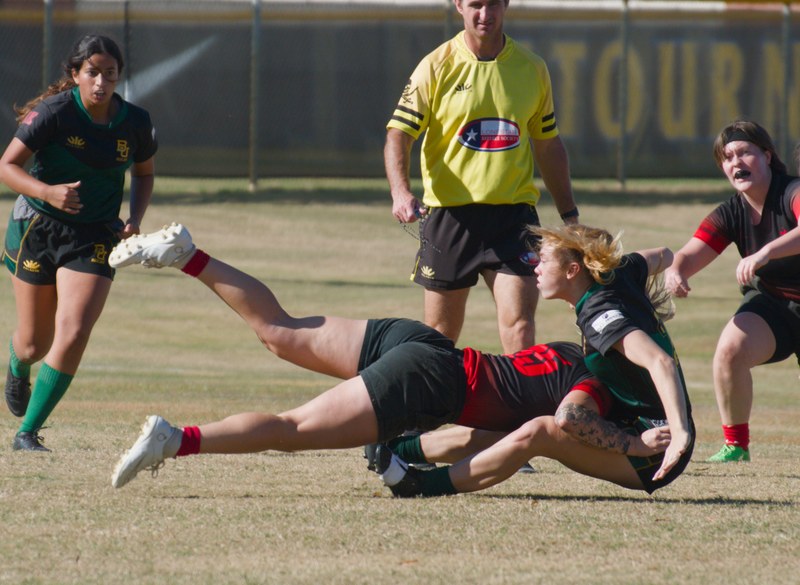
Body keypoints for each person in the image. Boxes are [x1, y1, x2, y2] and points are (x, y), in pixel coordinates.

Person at [105, 223, 667, 490]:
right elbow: (563, 424)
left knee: (279, 331)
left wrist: (665, 261)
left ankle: (187, 254)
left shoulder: (573, 346)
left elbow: (484, 437)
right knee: (291, 427)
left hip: (421, 344)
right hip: (427, 380)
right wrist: (638, 441)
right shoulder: (595, 376)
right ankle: (175, 440)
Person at [373, 224, 694, 497]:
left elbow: (660, 362)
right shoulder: (617, 273)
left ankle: (421, 485)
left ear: (572, 270)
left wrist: (666, 437)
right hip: (623, 413)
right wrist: (670, 269)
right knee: (522, 412)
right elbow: (663, 254)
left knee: (540, 430)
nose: (535, 268)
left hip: (655, 448)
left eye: (543, 261)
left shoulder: (601, 316)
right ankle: (398, 450)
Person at [384, 0, 578, 355]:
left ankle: (519, 411)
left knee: (520, 327)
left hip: (513, 217)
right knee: (440, 338)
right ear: (458, 5)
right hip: (450, 217)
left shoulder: (532, 68)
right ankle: (436, 411)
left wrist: (570, 216)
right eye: (475, 5)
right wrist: (400, 191)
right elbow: (399, 134)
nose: (484, 15)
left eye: (492, 4)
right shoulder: (436, 65)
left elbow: (548, 146)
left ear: (506, 5)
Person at [0, 34, 157, 451]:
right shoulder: (53, 112)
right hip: (39, 226)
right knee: (36, 343)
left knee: (74, 331)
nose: (101, 82)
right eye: (92, 73)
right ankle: (17, 364)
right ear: (75, 75)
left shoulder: (135, 122)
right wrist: (47, 192)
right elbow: (7, 166)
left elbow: (144, 172)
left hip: (95, 235)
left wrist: (135, 217)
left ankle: (27, 433)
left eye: (110, 73)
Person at [665, 120, 800, 463]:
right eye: (727, 157)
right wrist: (677, 271)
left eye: (745, 153)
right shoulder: (731, 212)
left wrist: (766, 251)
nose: (736, 163)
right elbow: (692, 251)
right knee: (730, 351)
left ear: (767, 156)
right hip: (775, 303)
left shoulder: (792, 192)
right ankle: (736, 446)